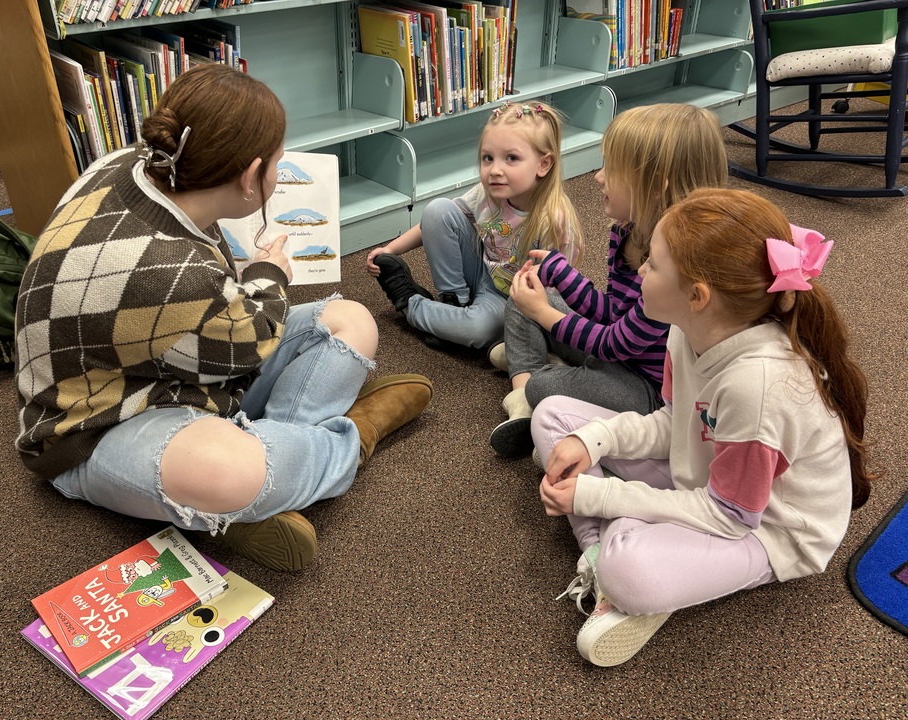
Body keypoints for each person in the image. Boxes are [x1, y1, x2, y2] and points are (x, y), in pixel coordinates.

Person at [14, 64, 434, 573]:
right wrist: (269, 274)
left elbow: (218, 325)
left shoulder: (128, 163)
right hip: (89, 430)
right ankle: (349, 439)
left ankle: (269, 474)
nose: (280, 173)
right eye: (278, 163)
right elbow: (250, 340)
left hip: (173, 365)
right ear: (250, 175)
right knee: (231, 472)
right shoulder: (172, 273)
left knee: (352, 319)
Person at [531, 188, 874, 667]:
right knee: (553, 418)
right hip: (710, 471)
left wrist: (600, 497)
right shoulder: (686, 328)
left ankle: (615, 557)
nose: (640, 272)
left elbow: (730, 516)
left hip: (767, 527)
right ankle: (599, 552)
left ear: (697, 296)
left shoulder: (757, 388)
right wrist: (594, 440)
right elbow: (676, 422)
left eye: (652, 264)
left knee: (628, 566)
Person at [489, 103, 730, 458]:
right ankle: (532, 385)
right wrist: (560, 272)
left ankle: (533, 376)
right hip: (614, 355)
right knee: (525, 293)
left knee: (542, 382)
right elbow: (612, 312)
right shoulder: (626, 231)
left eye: (611, 168)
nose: (598, 177)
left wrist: (545, 316)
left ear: (654, 185)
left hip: (646, 387)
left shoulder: (673, 270)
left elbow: (616, 344)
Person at [365, 101, 583, 351]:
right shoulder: (488, 193)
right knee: (438, 209)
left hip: (514, 301)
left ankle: (410, 303)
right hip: (481, 270)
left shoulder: (555, 221)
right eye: (487, 158)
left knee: (479, 330)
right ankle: (454, 302)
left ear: (543, 164)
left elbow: (554, 298)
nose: (495, 170)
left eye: (511, 158)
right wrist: (390, 250)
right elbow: (433, 223)